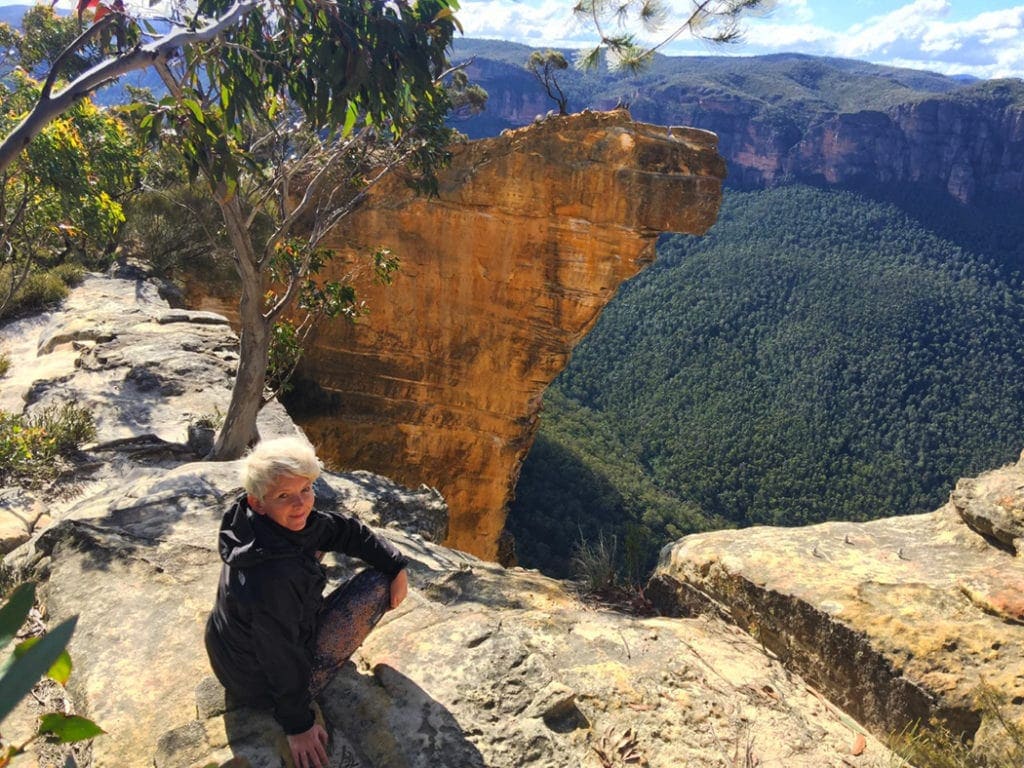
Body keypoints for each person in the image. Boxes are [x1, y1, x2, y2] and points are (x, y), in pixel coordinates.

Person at [205, 434, 409, 768]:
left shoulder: (255, 522)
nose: (301, 504)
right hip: (259, 684)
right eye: (285, 495)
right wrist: (298, 724)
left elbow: (345, 531)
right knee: (376, 585)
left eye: (306, 489)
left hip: (232, 657)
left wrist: (395, 561)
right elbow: (280, 653)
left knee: (348, 552)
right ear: (259, 501)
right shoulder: (273, 576)